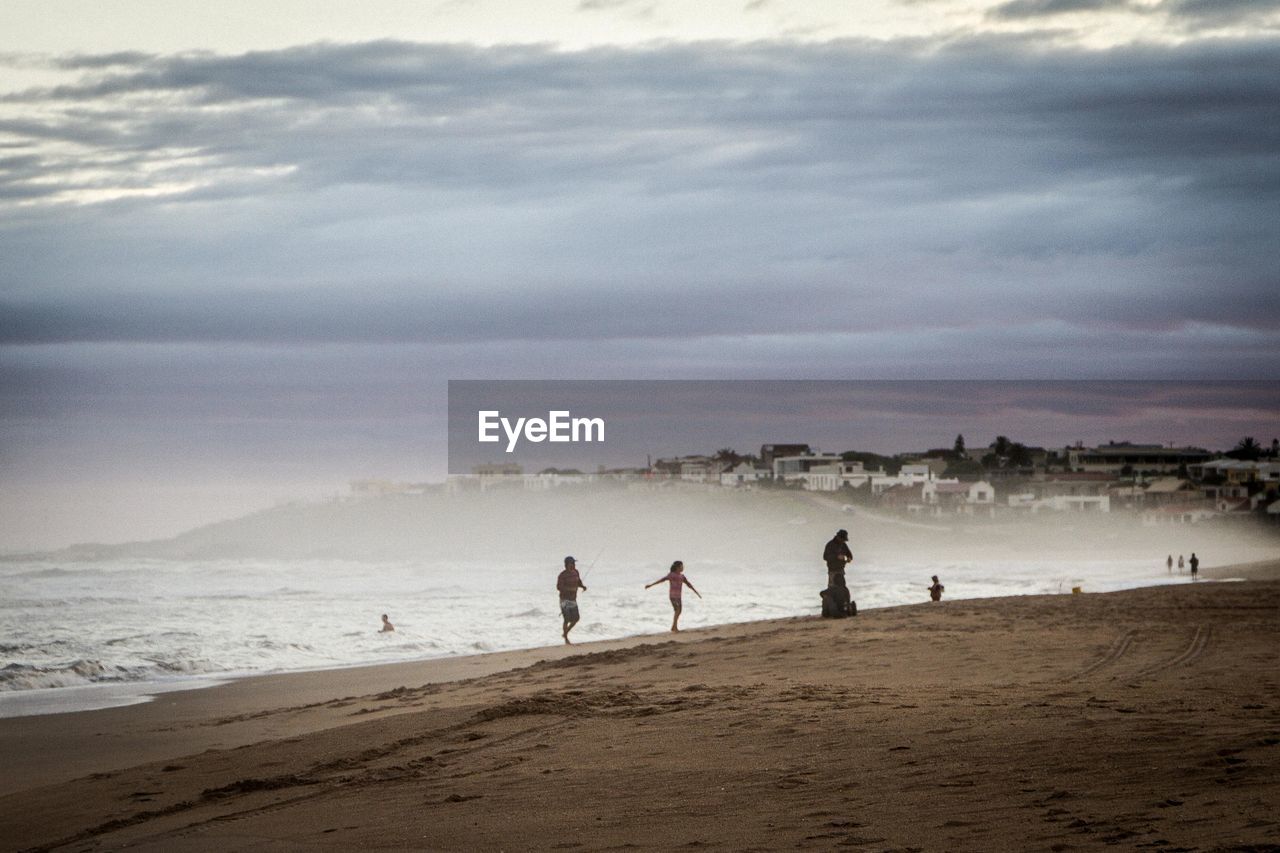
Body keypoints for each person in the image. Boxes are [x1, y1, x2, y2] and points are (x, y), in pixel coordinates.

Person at [645, 560, 702, 632]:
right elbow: (662, 580)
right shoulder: (671, 575)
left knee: (679, 611)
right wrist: (651, 585)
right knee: (677, 610)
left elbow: (688, 584)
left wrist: (696, 592)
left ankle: (674, 626)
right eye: (682, 566)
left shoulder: (682, 576)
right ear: (678, 567)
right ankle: (674, 627)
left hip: (678, 596)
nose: (683, 567)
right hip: (672, 596)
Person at [556, 556, 587, 644]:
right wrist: (570, 589)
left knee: (576, 618)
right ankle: (566, 638)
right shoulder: (562, 575)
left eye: (574, 563)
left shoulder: (576, 572)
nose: (573, 565)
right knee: (567, 619)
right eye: (572, 563)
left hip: (573, 600)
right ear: (566, 565)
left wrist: (582, 586)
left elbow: (578, 581)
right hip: (564, 600)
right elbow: (559, 587)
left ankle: (565, 633)